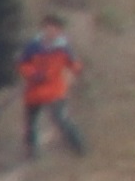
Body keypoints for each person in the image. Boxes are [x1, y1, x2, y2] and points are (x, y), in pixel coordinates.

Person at [20, 17, 86, 158]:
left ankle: (79, 149)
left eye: (54, 29)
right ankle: (31, 155)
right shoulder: (32, 46)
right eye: (47, 28)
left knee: (62, 120)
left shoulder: (63, 48)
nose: (50, 32)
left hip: (55, 91)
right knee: (30, 125)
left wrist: (77, 69)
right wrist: (33, 74)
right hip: (34, 92)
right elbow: (23, 64)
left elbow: (73, 63)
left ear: (59, 30)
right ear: (43, 29)